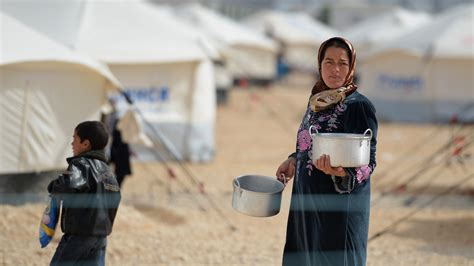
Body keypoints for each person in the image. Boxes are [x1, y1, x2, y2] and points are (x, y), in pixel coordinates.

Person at [276, 37, 377, 266]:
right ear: (319, 65)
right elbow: (308, 145)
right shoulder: (317, 102)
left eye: (342, 63)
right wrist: (293, 160)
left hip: (338, 210)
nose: (335, 69)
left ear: (351, 67)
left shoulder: (358, 105)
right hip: (306, 205)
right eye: (329, 62)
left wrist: (343, 173)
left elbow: (369, 162)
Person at [47, 121, 121, 265]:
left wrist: (54, 186)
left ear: (85, 144)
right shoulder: (108, 172)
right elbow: (116, 198)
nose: (72, 144)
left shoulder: (81, 164)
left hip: (79, 236)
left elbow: (67, 186)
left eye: (74, 139)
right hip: (101, 237)